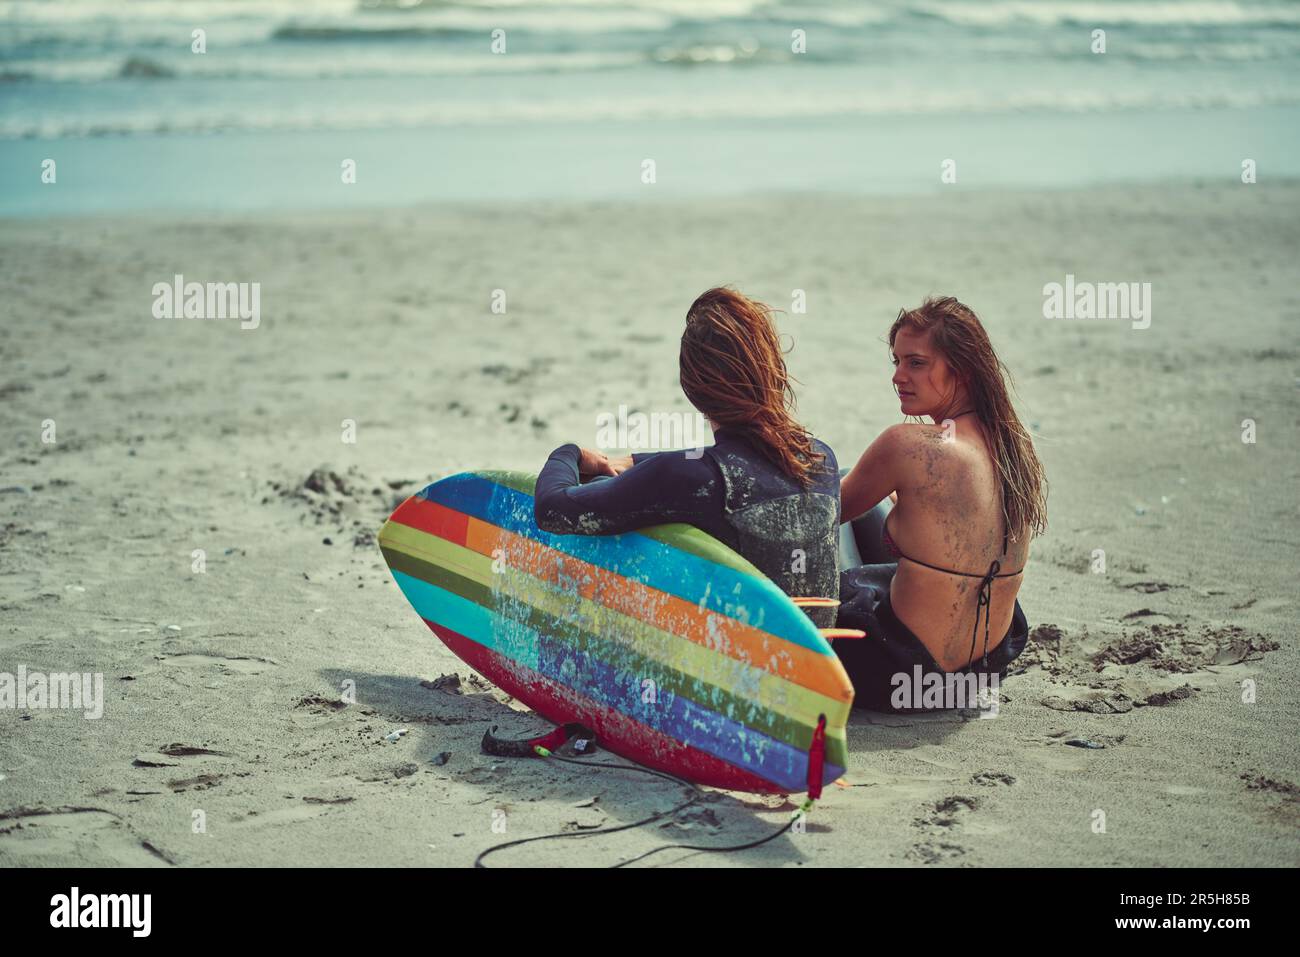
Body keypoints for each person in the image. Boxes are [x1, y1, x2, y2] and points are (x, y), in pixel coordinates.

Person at [533, 287, 841, 627]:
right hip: (824, 652)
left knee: (613, 498)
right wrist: (632, 463)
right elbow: (731, 462)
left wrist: (569, 453)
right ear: (772, 371)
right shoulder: (819, 458)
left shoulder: (686, 478)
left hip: (740, 662)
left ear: (692, 387)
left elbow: (552, 510)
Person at [836, 296, 1048, 710]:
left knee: (836, 503)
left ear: (963, 368)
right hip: (978, 677)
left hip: (895, 673)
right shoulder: (1013, 444)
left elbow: (818, 517)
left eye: (915, 363)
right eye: (895, 361)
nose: (898, 376)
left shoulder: (905, 445)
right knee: (869, 501)